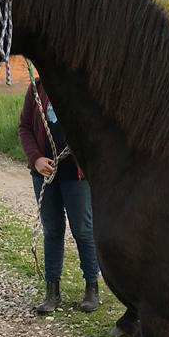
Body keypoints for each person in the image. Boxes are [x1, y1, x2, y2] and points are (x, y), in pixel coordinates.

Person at [18, 78, 100, 314]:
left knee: (83, 230)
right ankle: (52, 291)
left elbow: (95, 127)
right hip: (44, 173)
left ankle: (91, 288)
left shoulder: (83, 86)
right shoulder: (36, 88)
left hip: (76, 174)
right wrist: (36, 158)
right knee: (52, 231)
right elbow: (24, 127)